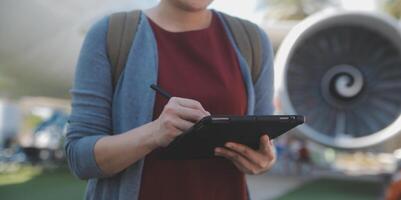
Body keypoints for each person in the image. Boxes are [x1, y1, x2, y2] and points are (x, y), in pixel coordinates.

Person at [65, 0, 276, 199]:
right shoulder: (111, 34)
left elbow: (266, 142)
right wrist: (154, 133)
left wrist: (265, 160)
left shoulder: (252, 40)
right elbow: (80, 158)